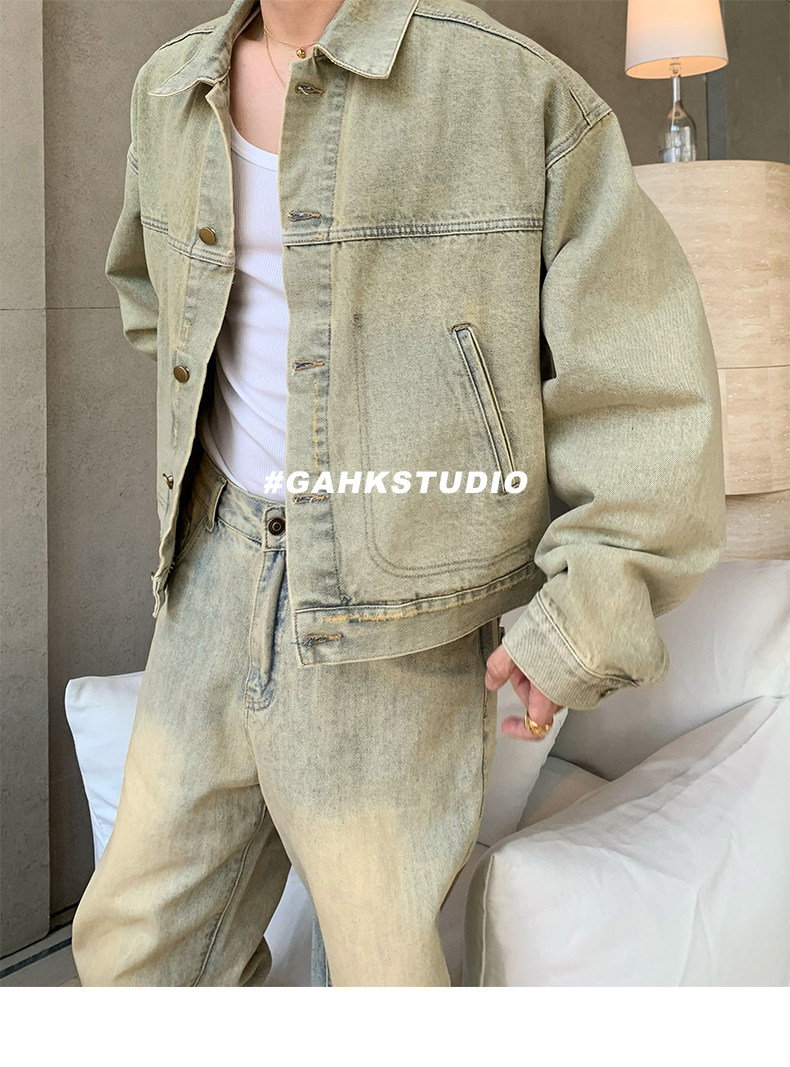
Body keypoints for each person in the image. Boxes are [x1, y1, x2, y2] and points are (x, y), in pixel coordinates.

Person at [71, 0, 725, 986]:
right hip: (208, 571)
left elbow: (641, 380)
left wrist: (586, 614)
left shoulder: (512, 90)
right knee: (134, 948)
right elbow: (152, 296)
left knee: (383, 973)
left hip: (396, 616)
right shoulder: (170, 87)